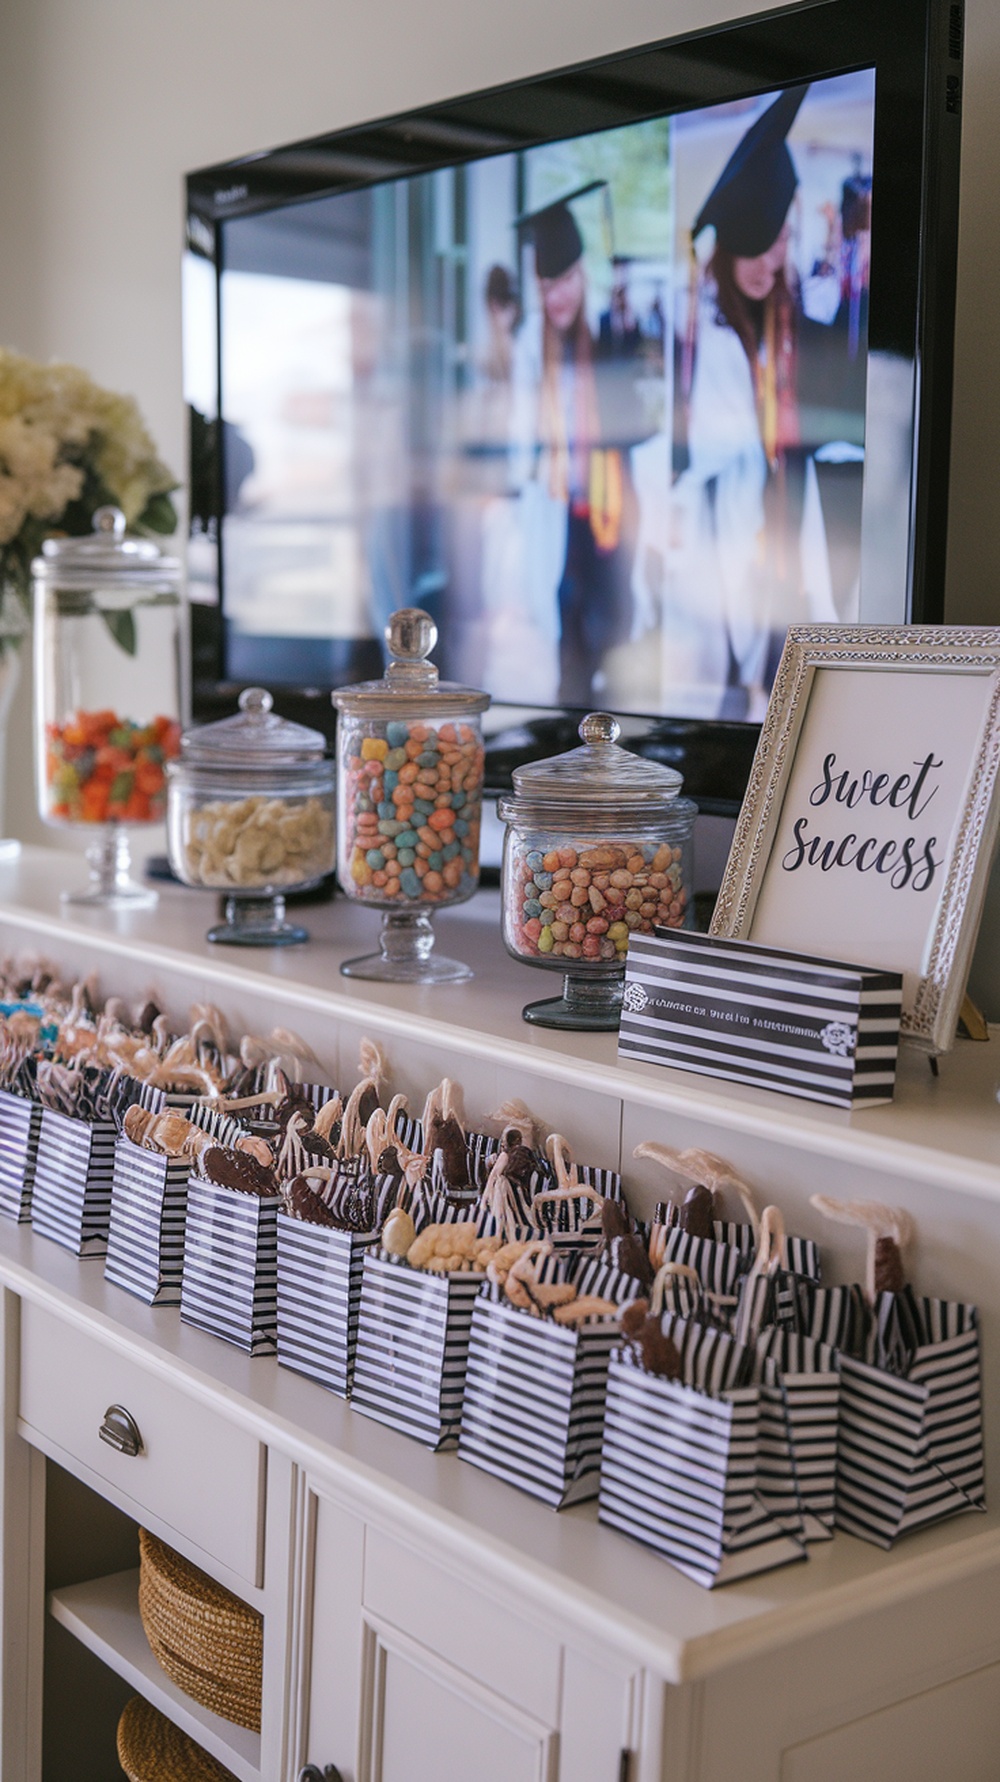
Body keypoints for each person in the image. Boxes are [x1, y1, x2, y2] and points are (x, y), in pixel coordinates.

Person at [671, 84, 861, 721]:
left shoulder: (801, 327)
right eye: (749, 247)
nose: (763, 263)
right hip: (732, 521)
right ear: (726, 248)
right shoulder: (708, 336)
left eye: (775, 242)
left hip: (795, 510)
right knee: (735, 660)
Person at [509, 185, 645, 707]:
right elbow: (523, 437)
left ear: (582, 273)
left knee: (615, 627)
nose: (556, 296)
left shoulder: (610, 331)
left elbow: (641, 419)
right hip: (561, 506)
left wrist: (629, 344)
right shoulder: (531, 345)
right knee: (568, 632)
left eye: (564, 279)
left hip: (613, 502)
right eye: (546, 284)